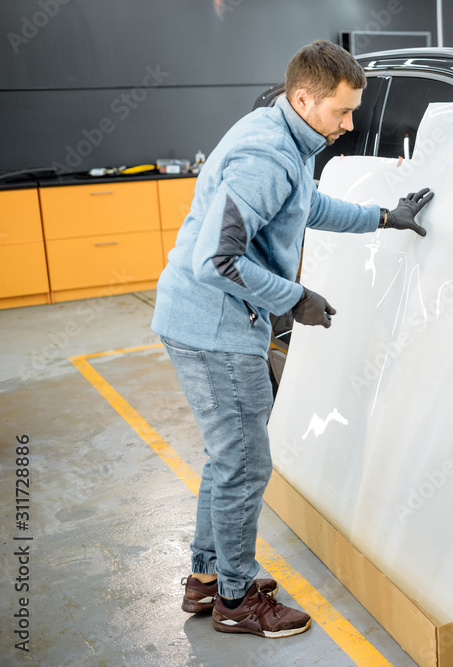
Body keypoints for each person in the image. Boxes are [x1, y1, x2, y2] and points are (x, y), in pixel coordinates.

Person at [151, 40, 433, 638]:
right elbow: (216, 260)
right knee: (247, 463)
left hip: (210, 321)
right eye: (342, 112)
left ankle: (207, 581)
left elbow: (307, 207)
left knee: (227, 458)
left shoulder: (288, 138)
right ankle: (234, 598)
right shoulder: (266, 155)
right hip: (214, 330)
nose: (349, 123)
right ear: (305, 98)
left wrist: (386, 218)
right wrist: (294, 298)